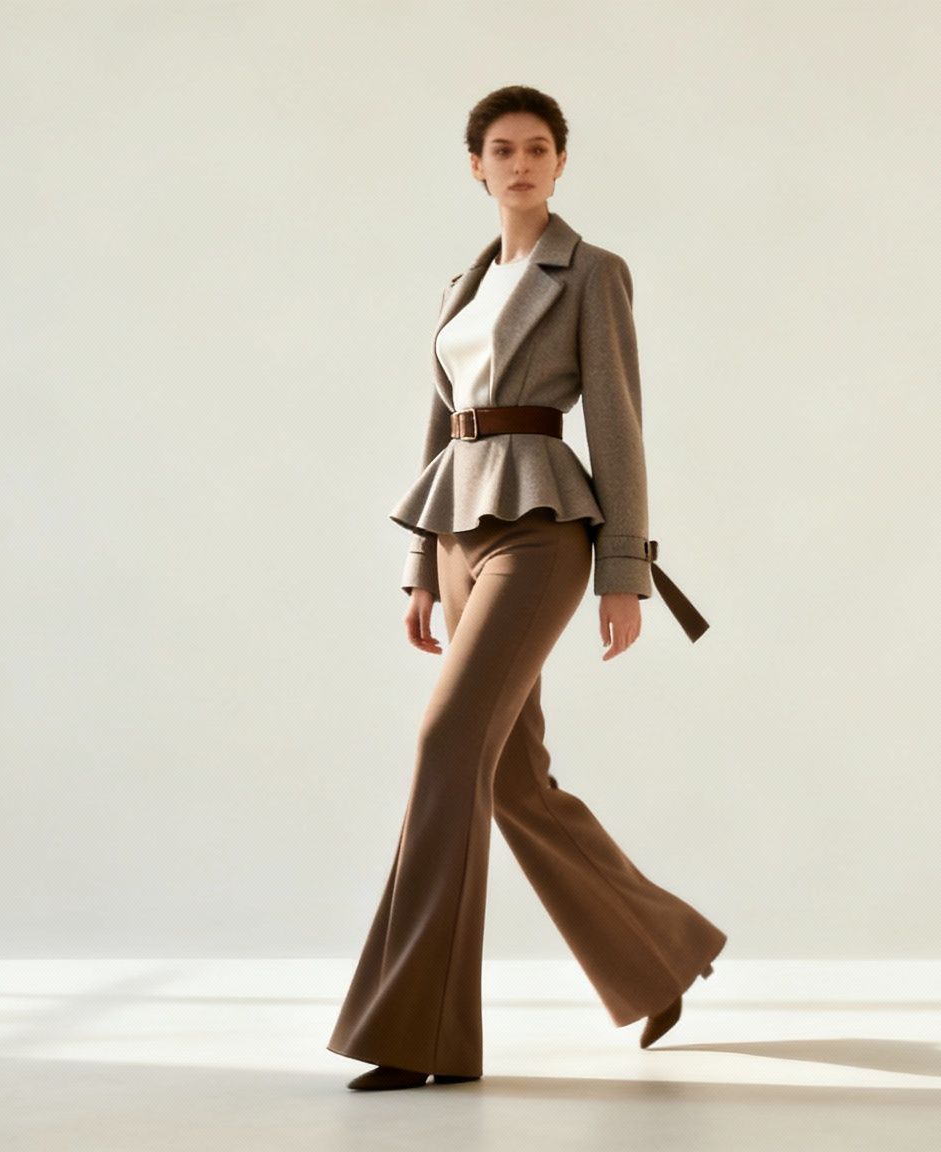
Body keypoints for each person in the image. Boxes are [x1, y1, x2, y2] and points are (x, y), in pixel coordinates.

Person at [327, 85, 725, 1092]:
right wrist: (419, 568)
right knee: (507, 778)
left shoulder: (591, 273)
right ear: (475, 166)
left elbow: (618, 429)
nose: (519, 163)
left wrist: (622, 574)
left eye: (537, 148)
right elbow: (441, 429)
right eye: (500, 149)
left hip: (544, 533)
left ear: (558, 163)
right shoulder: (459, 287)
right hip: (459, 534)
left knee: (442, 743)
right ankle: (661, 950)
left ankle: (410, 1035)